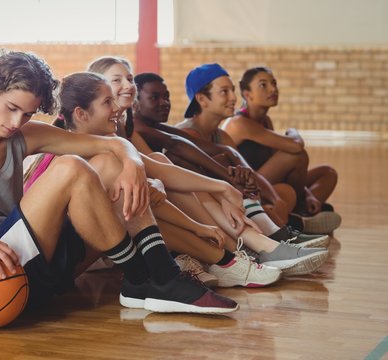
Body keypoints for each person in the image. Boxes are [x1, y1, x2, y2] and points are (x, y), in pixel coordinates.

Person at [0, 49, 239, 315]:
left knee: (107, 163)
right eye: (10, 108)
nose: (16, 122)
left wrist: (131, 162)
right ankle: (150, 278)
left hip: (30, 257)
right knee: (70, 167)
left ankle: (151, 278)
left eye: (26, 113)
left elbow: (112, 145)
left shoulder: (21, 134)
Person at [27, 71, 286, 288]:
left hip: (92, 245)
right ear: (81, 114)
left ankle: (226, 260)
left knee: (147, 180)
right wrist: (197, 225)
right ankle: (224, 259)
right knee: (137, 189)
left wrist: (223, 187)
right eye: (108, 102)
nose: (117, 107)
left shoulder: (100, 145)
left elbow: (161, 170)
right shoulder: (73, 154)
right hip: (59, 261)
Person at [86, 56, 329, 277]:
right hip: (113, 226)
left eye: (130, 79)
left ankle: (247, 248)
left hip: (150, 209)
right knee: (176, 172)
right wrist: (228, 185)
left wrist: (226, 183)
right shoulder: (127, 126)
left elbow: (171, 154)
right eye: (117, 80)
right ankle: (246, 247)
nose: (129, 86)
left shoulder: (123, 123)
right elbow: (176, 148)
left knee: (179, 172)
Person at [132, 71, 329, 248]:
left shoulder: (161, 128)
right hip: (180, 200)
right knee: (193, 162)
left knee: (305, 182)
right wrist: (229, 178)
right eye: (224, 92)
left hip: (223, 195)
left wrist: (242, 178)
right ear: (201, 99)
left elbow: (227, 152)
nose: (234, 98)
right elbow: (179, 147)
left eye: (167, 96)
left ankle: (278, 227)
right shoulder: (146, 129)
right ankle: (269, 234)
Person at [221, 66, 341, 234]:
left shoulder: (266, 121)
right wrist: (292, 131)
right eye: (263, 85)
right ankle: (299, 216)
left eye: (274, 83)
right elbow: (295, 146)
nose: (273, 89)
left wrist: (308, 194)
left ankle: (300, 212)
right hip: (247, 188)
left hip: (266, 184)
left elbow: (276, 159)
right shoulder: (239, 123)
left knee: (327, 173)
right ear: (247, 94)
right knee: (295, 159)